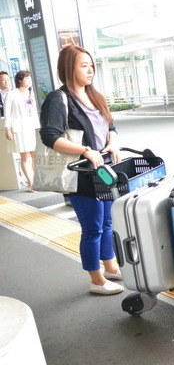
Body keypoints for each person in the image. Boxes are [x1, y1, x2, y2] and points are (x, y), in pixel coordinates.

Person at [40, 45, 124, 295]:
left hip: (104, 170)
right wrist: (85, 150)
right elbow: (50, 136)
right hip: (81, 174)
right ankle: (96, 280)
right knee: (92, 228)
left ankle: (110, 267)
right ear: (69, 68)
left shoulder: (95, 95)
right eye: (83, 65)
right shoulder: (59, 98)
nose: (90, 70)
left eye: (91, 65)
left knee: (108, 222)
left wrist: (113, 142)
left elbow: (111, 126)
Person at [4, 70, 40, 191]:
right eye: (27, 78)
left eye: (30, 78)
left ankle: (38, 180)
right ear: (20, 80)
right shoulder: (12, 94)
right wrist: (7, 128)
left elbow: (34, 111)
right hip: (19, 128)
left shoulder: (31, 93)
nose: (29, 80)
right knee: (25, 156)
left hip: (31, 126)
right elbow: (7, 113)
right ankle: (30, 183)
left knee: (34, 154)